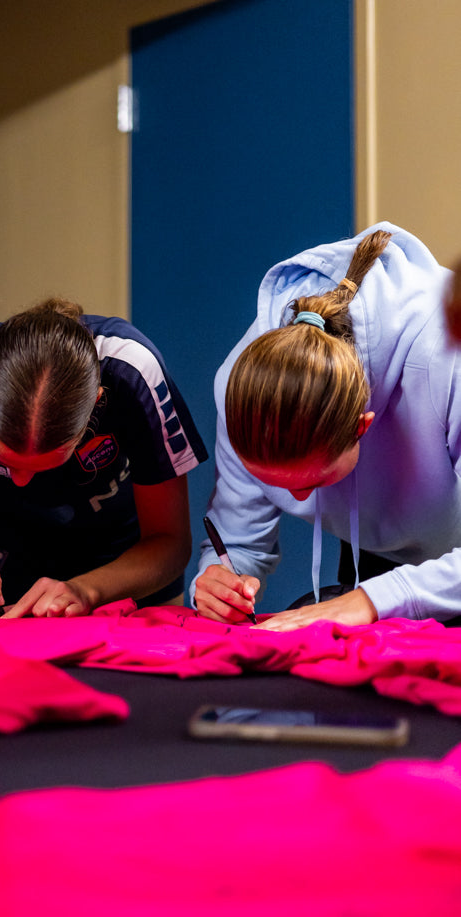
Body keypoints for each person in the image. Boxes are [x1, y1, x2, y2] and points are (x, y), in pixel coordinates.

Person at [192, 223, 461, 631]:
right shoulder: (241, 387)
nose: (295, 498)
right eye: (270, 481)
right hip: (380, 556)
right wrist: (218, 577)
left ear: (362, 427)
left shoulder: (446, 359)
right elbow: (238, 542)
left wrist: (373, 599)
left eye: (314, 481)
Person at [0, 298, 207, 619]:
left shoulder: (134, 372)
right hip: (8, 545)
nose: (21, 481)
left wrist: (87, 590)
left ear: (97, 403)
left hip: (125, 553)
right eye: (5, 461)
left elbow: (170, 544)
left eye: (49, 462)